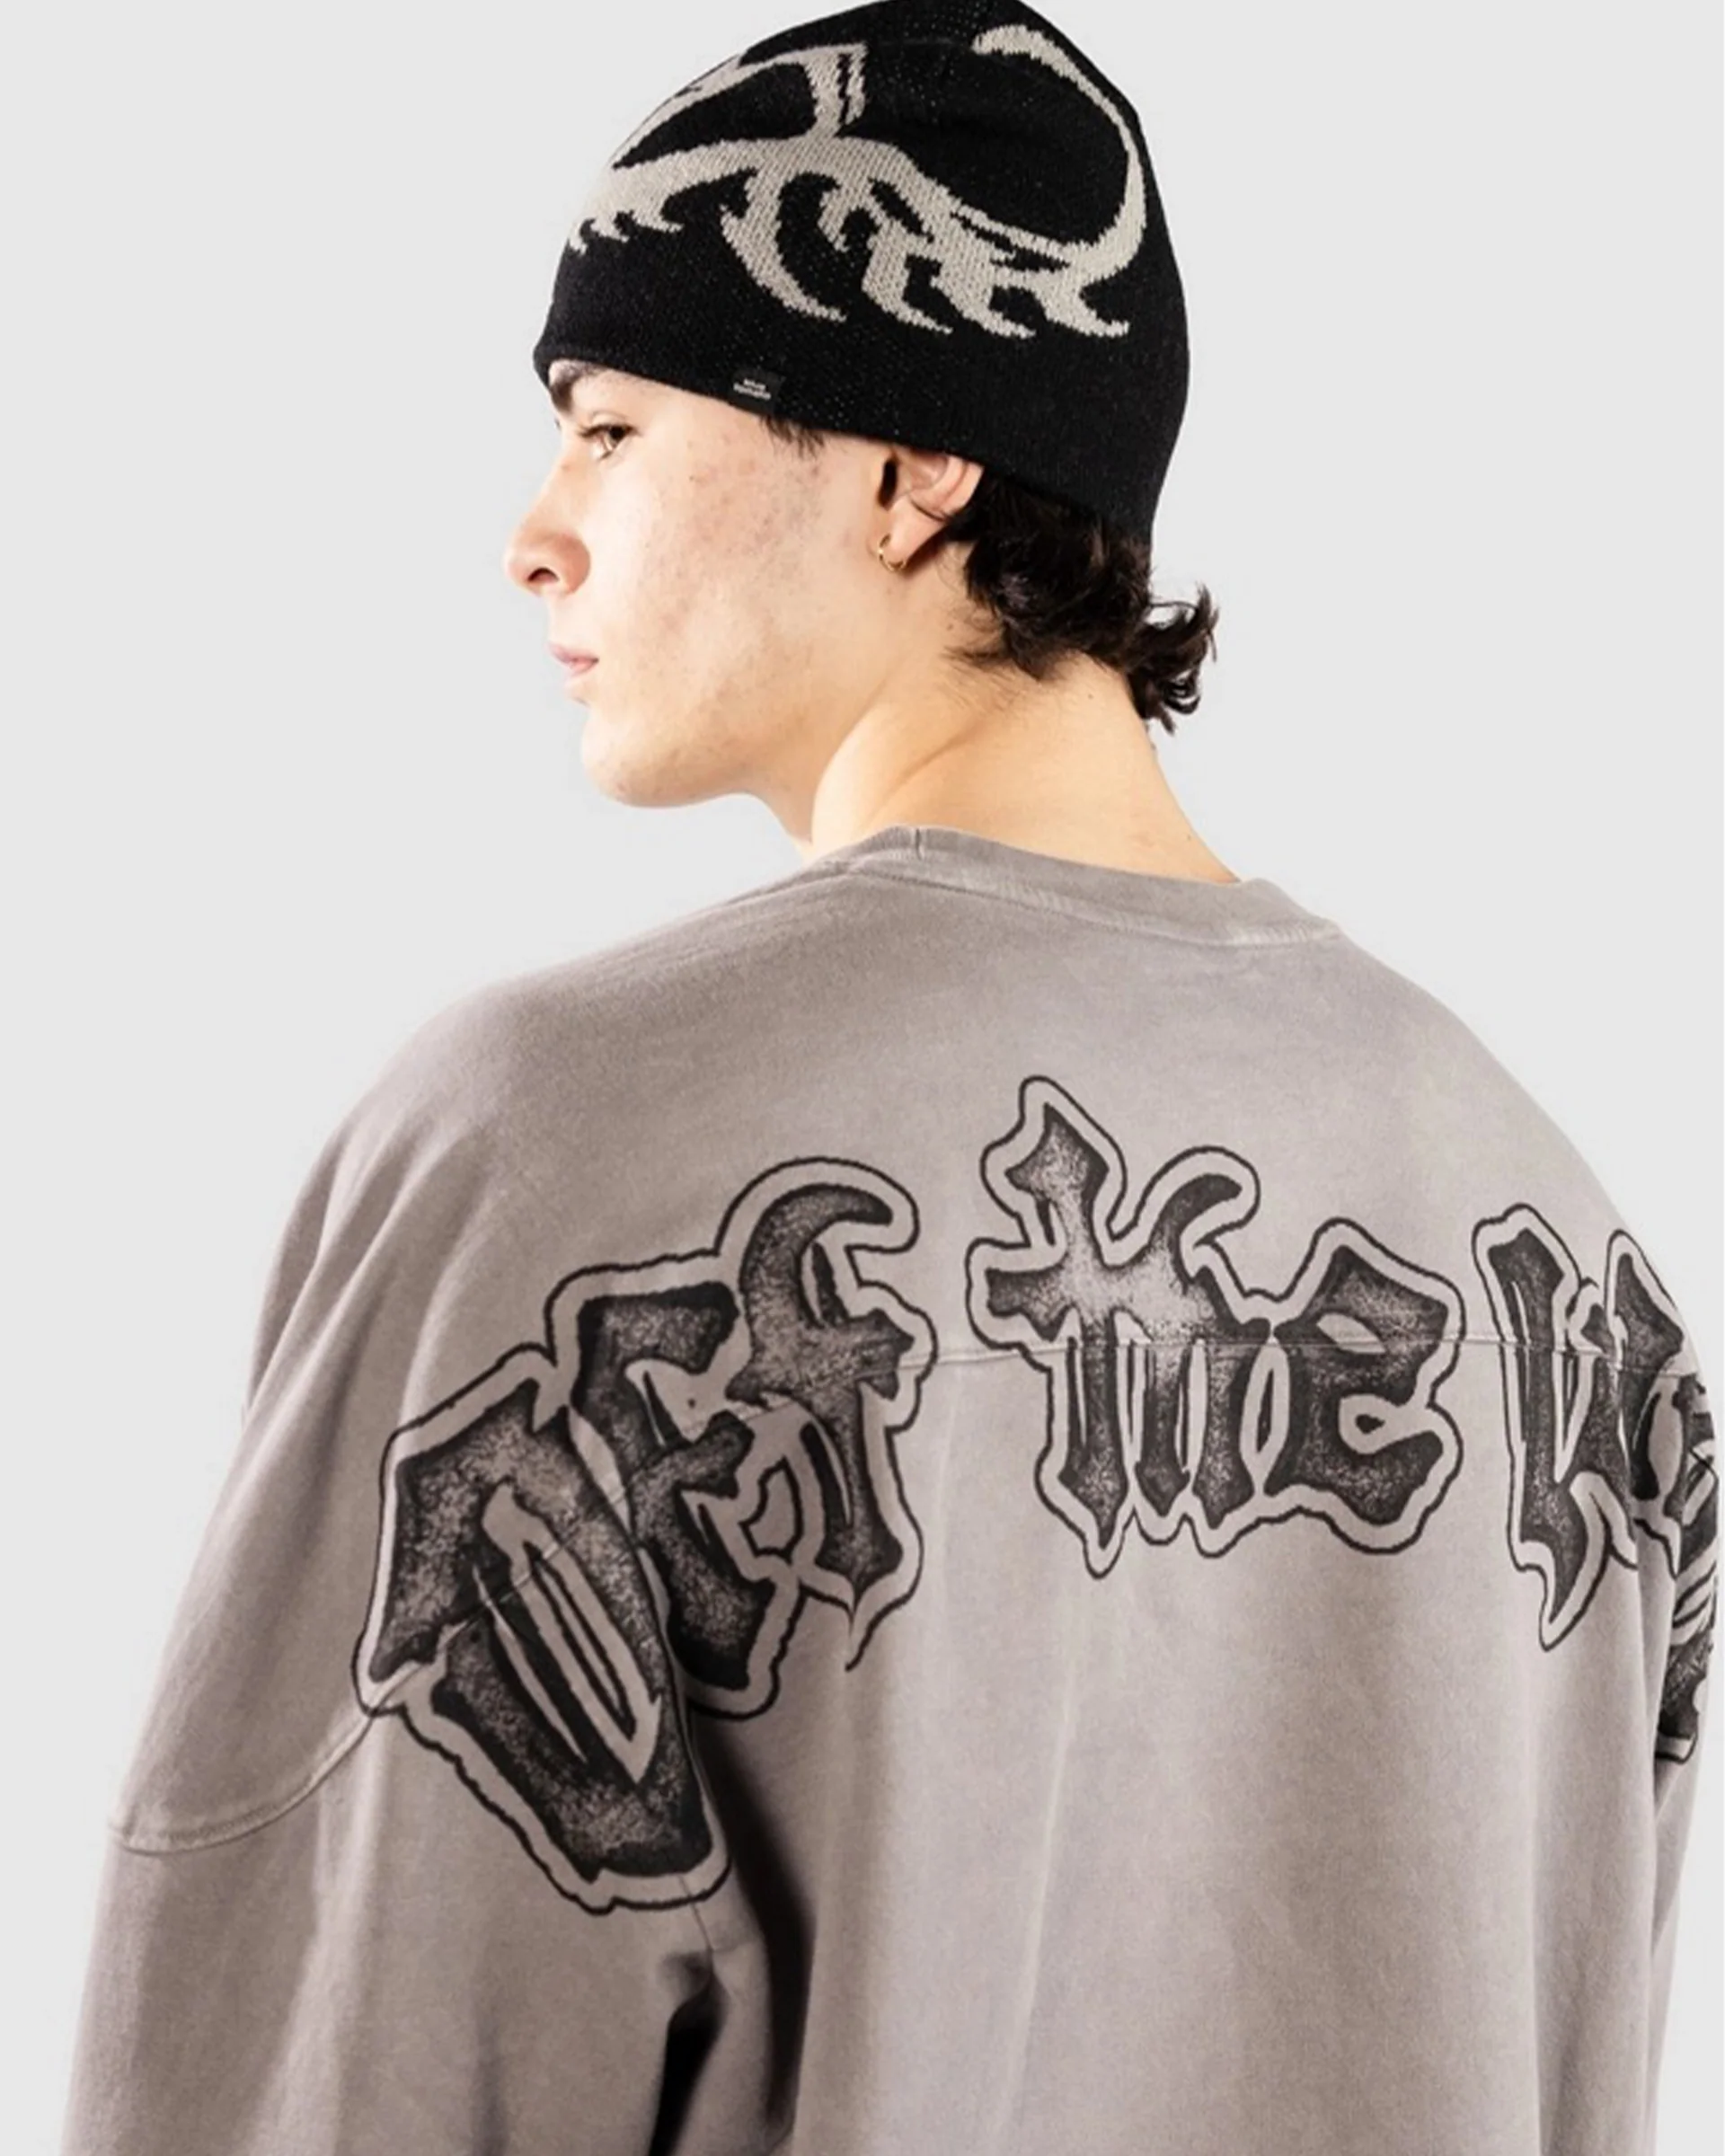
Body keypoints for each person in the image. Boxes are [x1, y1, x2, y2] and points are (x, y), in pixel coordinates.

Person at [58, 3, 1715, 2152]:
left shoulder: (546, 1145)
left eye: (612, 425)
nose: (536, 530)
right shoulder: (1565, 1243)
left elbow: (322, 2072)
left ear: (918, 460)